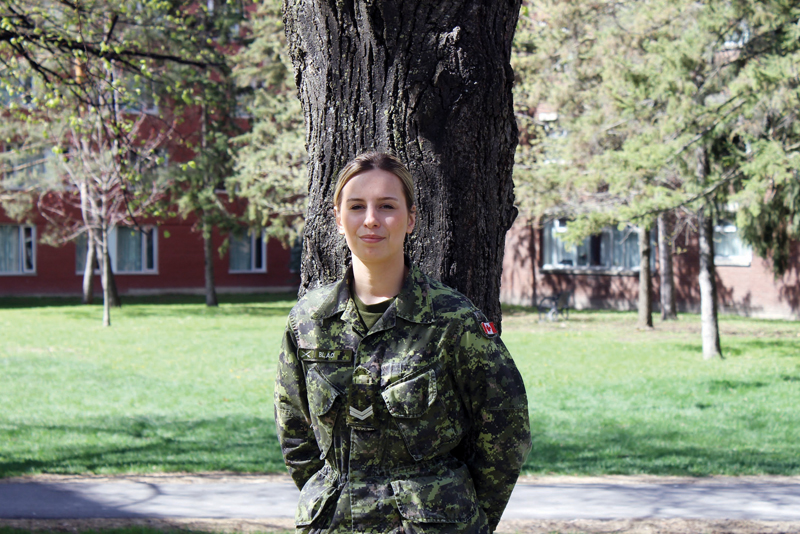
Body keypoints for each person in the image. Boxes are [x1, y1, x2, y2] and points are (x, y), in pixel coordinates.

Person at [274, 152, 531, 534]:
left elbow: (506, 431)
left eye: (387, 206)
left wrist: (464, 516)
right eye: (357, 206)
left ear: (410, 219)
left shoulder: (452, 319)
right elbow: (295, 433)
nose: (372, 219)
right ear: (338, 219)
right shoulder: (308, 321)